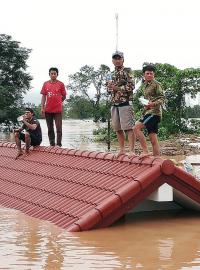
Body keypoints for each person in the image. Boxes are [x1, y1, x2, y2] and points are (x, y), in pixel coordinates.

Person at [107, 51, 135, 156]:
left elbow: (131, 86)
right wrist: (109, 88)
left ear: (123, 59)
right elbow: (109, 90)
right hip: (114, 103)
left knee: (128, 128)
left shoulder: (128, 71)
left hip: (126, 102)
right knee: (117, 128)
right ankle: (122, 150)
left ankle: (131, 151)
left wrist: (116, 88)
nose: (117, 60)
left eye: (119, 58)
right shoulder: (111, 74)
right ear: (112, 60)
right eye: (115, 58)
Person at [134, 64, 165, 156]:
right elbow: (149, 100)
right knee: (153, 139)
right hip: (148, 112)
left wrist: (153, 104)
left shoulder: (157, 84)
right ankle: (157, 160)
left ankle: (145, 151)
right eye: (147, 73)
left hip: (154, 114)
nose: (149, 75)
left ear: (153, 74)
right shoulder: (144, 86)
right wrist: (146, 106)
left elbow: (162, 98)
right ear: (144, 75)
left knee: (136, 128)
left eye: (151, 73)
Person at [40, 67, 66, 147]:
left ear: (57, 74)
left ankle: (58, 144)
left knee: (59, 128)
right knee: (50, 128)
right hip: (48, 110)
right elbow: (44, 96)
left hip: (58, 110)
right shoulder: (45, 84)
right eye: (52, 73)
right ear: (49, 74)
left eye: (55, 73)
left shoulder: (61, 84)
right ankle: (52, 144)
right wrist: (42, 107)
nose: (53, 75)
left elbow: (64, 96)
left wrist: (58, 102)